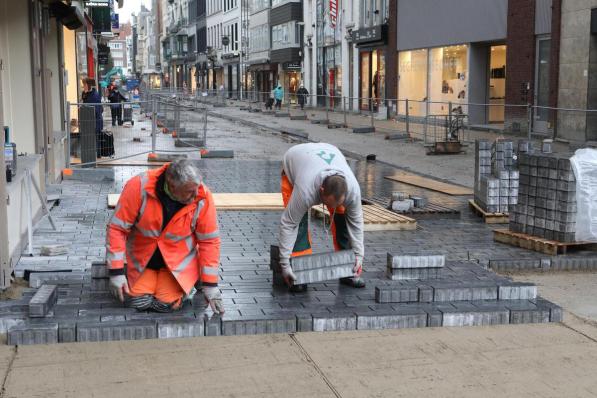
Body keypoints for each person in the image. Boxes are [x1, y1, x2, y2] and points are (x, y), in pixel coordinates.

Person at [106, 159, 224, 313]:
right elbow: (117, 229)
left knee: (166, 304)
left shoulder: (202, 196)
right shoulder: (138, 186)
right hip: (143, 262)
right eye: (190, 191)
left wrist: (210, 286)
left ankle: (189, 286)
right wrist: (116, 272)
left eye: (197, 188)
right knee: (138, 301)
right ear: (172, 185)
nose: (196, 194)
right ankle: (170, 287)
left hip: (178, 266)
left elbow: (209, 241)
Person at [278, 143, 365, 293]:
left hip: (328, 151)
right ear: (321, 190)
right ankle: (298, 273)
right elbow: (289, 224)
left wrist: (358, 255)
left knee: (342, 218)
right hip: (295, 161)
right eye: (329, 203)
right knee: (300, 224)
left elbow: (356, 223)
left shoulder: (352, 190)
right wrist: (284, 264)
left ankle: (348, 268)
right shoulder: (306, 191)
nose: (332, 207)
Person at [81, 78, 103, 155]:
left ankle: (97, 155)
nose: (83, 86)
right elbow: (84, 103)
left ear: (88, 85)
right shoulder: (86, 94)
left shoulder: (95, 95)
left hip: (95, 121)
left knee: (96, 138)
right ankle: (91, 155)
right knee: (91, 138)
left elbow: (97, 109)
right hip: (88, 121)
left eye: (84, 84)